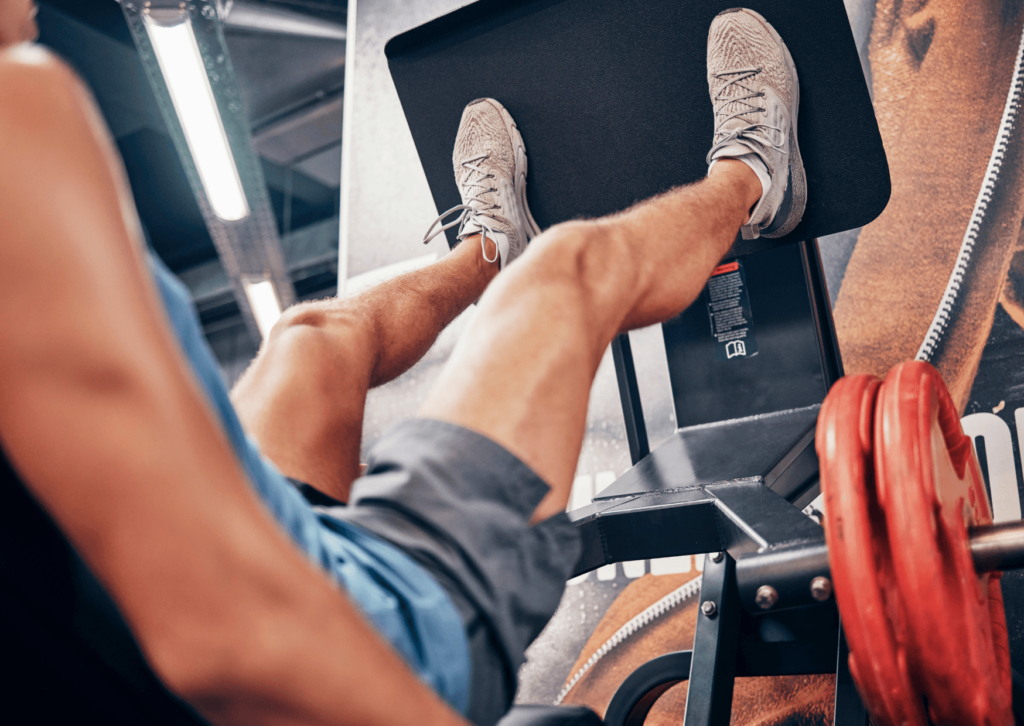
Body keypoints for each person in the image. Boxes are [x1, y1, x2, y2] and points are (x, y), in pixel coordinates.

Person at [0, 2, 803, 725]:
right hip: (338, 638)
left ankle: (488, 250)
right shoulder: (15, 112)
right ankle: (755, 178)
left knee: (309, 341)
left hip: (230, 568)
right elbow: (226, 638)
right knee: (566, 276)